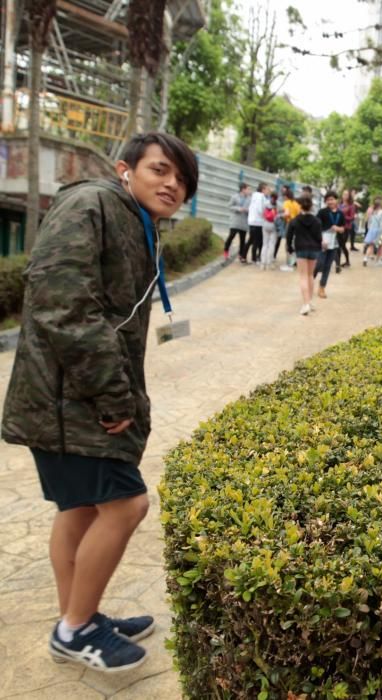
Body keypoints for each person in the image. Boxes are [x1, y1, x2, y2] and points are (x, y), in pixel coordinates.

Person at [1, 132, 198, 672]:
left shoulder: (135, 220)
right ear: (125, 169)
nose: (172, 184)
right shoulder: (90, 205)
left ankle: (78, 614)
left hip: (73, 398)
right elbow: (62, 307)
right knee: (127, 505)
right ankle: (75, 629)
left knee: (81, 508)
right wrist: (114, 397)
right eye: (160, 170)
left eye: (181, 179)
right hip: (69, 401)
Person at [285, 195, 323, 315]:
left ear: (300, 206)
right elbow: (319, 237)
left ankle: (306, 304)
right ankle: (309, 301)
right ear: (311, 206)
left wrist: (290, 248)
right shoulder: (317, 221)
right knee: (310, 275)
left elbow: (289, 236)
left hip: (301, 249)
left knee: (303, 276)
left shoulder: (295, 220)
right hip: (314, 249)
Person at [314, 190, 344, 297]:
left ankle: (322, 287)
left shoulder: (340, 214)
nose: (330, 202)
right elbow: (316, 227)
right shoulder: (322, 212)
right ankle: (309, 281)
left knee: (327, 266)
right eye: (327, 200)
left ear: (337, 200)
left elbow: (343, 228)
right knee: (319, 264)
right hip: (323, 242)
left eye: (332, 199)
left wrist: (339, 228)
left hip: (334, 243)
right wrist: (321, 240)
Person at [224, 183, 250, 260]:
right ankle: (226, 251)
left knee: (243, 239)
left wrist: (248, 210)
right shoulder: (234, 197)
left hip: (244, 221)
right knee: (231, 236)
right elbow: (229, 206)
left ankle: (241, 254)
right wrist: (239, 208)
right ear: (243, 189)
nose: (249, 191)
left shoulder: (250, 199)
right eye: (248, 189)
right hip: (235, 220)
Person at [247, 182, 271, 265]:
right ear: (263, 189)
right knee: (257, 241)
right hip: (258, 221)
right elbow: (260, 209)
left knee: (255, 241)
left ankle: (255, 257)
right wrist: (266, 216)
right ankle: (255, 258)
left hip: (253, 221)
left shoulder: (255, 195)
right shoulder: (260, 196)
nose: (268, 191)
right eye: (267, 189)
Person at [336, 189, 356, 271]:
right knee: (339, 245)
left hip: (346, 228)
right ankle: (342, 262)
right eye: (343, 194)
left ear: (349, 196)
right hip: (338, 227)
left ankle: (339, 264)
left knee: (341, 246)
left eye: (346, 194)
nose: (344, 196)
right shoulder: (339, 204)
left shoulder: (351, 206)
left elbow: (352, 217)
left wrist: (343, 216)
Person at [363, 196, 382, 266]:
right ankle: (379, 260)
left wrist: (370, 229)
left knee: (371, 245)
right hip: (379, 231)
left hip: (371, 230)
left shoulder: (372, 211)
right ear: (380, 204)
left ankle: (365, 258)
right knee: (381, 245)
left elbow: (369, 222)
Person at [260, 192, 278, 270]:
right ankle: (269, 263)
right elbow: (282, 213)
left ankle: (262, 263)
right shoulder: (278, 205)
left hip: (265, 224)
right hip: (273, 225)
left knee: (265, 244)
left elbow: (261, 213)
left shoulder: (265, 203)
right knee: (272, 244)